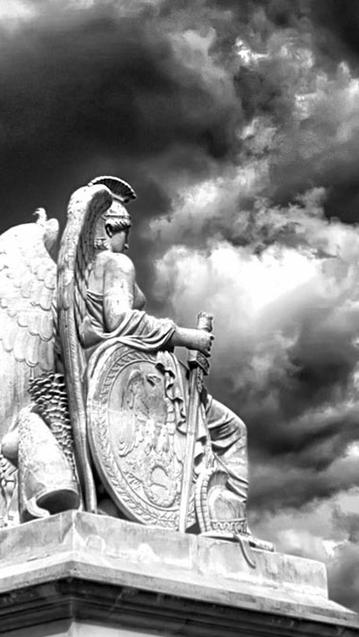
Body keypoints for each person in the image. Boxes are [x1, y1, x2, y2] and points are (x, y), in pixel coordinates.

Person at [79, 201, 251, 534]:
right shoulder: (116, 263)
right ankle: (226, 520)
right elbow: (119, 319)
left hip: (125, 373)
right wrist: (189, 338)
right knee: (232, 430)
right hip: (147, 378)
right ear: (109, 229)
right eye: (125, 231)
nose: (127, 243)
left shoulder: (85, 270)